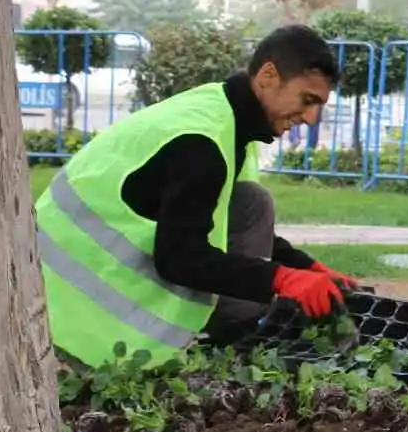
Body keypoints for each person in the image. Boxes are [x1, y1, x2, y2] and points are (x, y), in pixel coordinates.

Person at [36, 24, 356, 369]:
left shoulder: (227, 121)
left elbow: (218, 219)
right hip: (64, 305)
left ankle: (233, 333)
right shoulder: (201, 144)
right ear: (268, 76)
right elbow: (179, 258)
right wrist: (280, 279)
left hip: (71, 275)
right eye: (307, 101)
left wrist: (305, 267)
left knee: (252, 202)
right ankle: (231, 335)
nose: (311, 118)